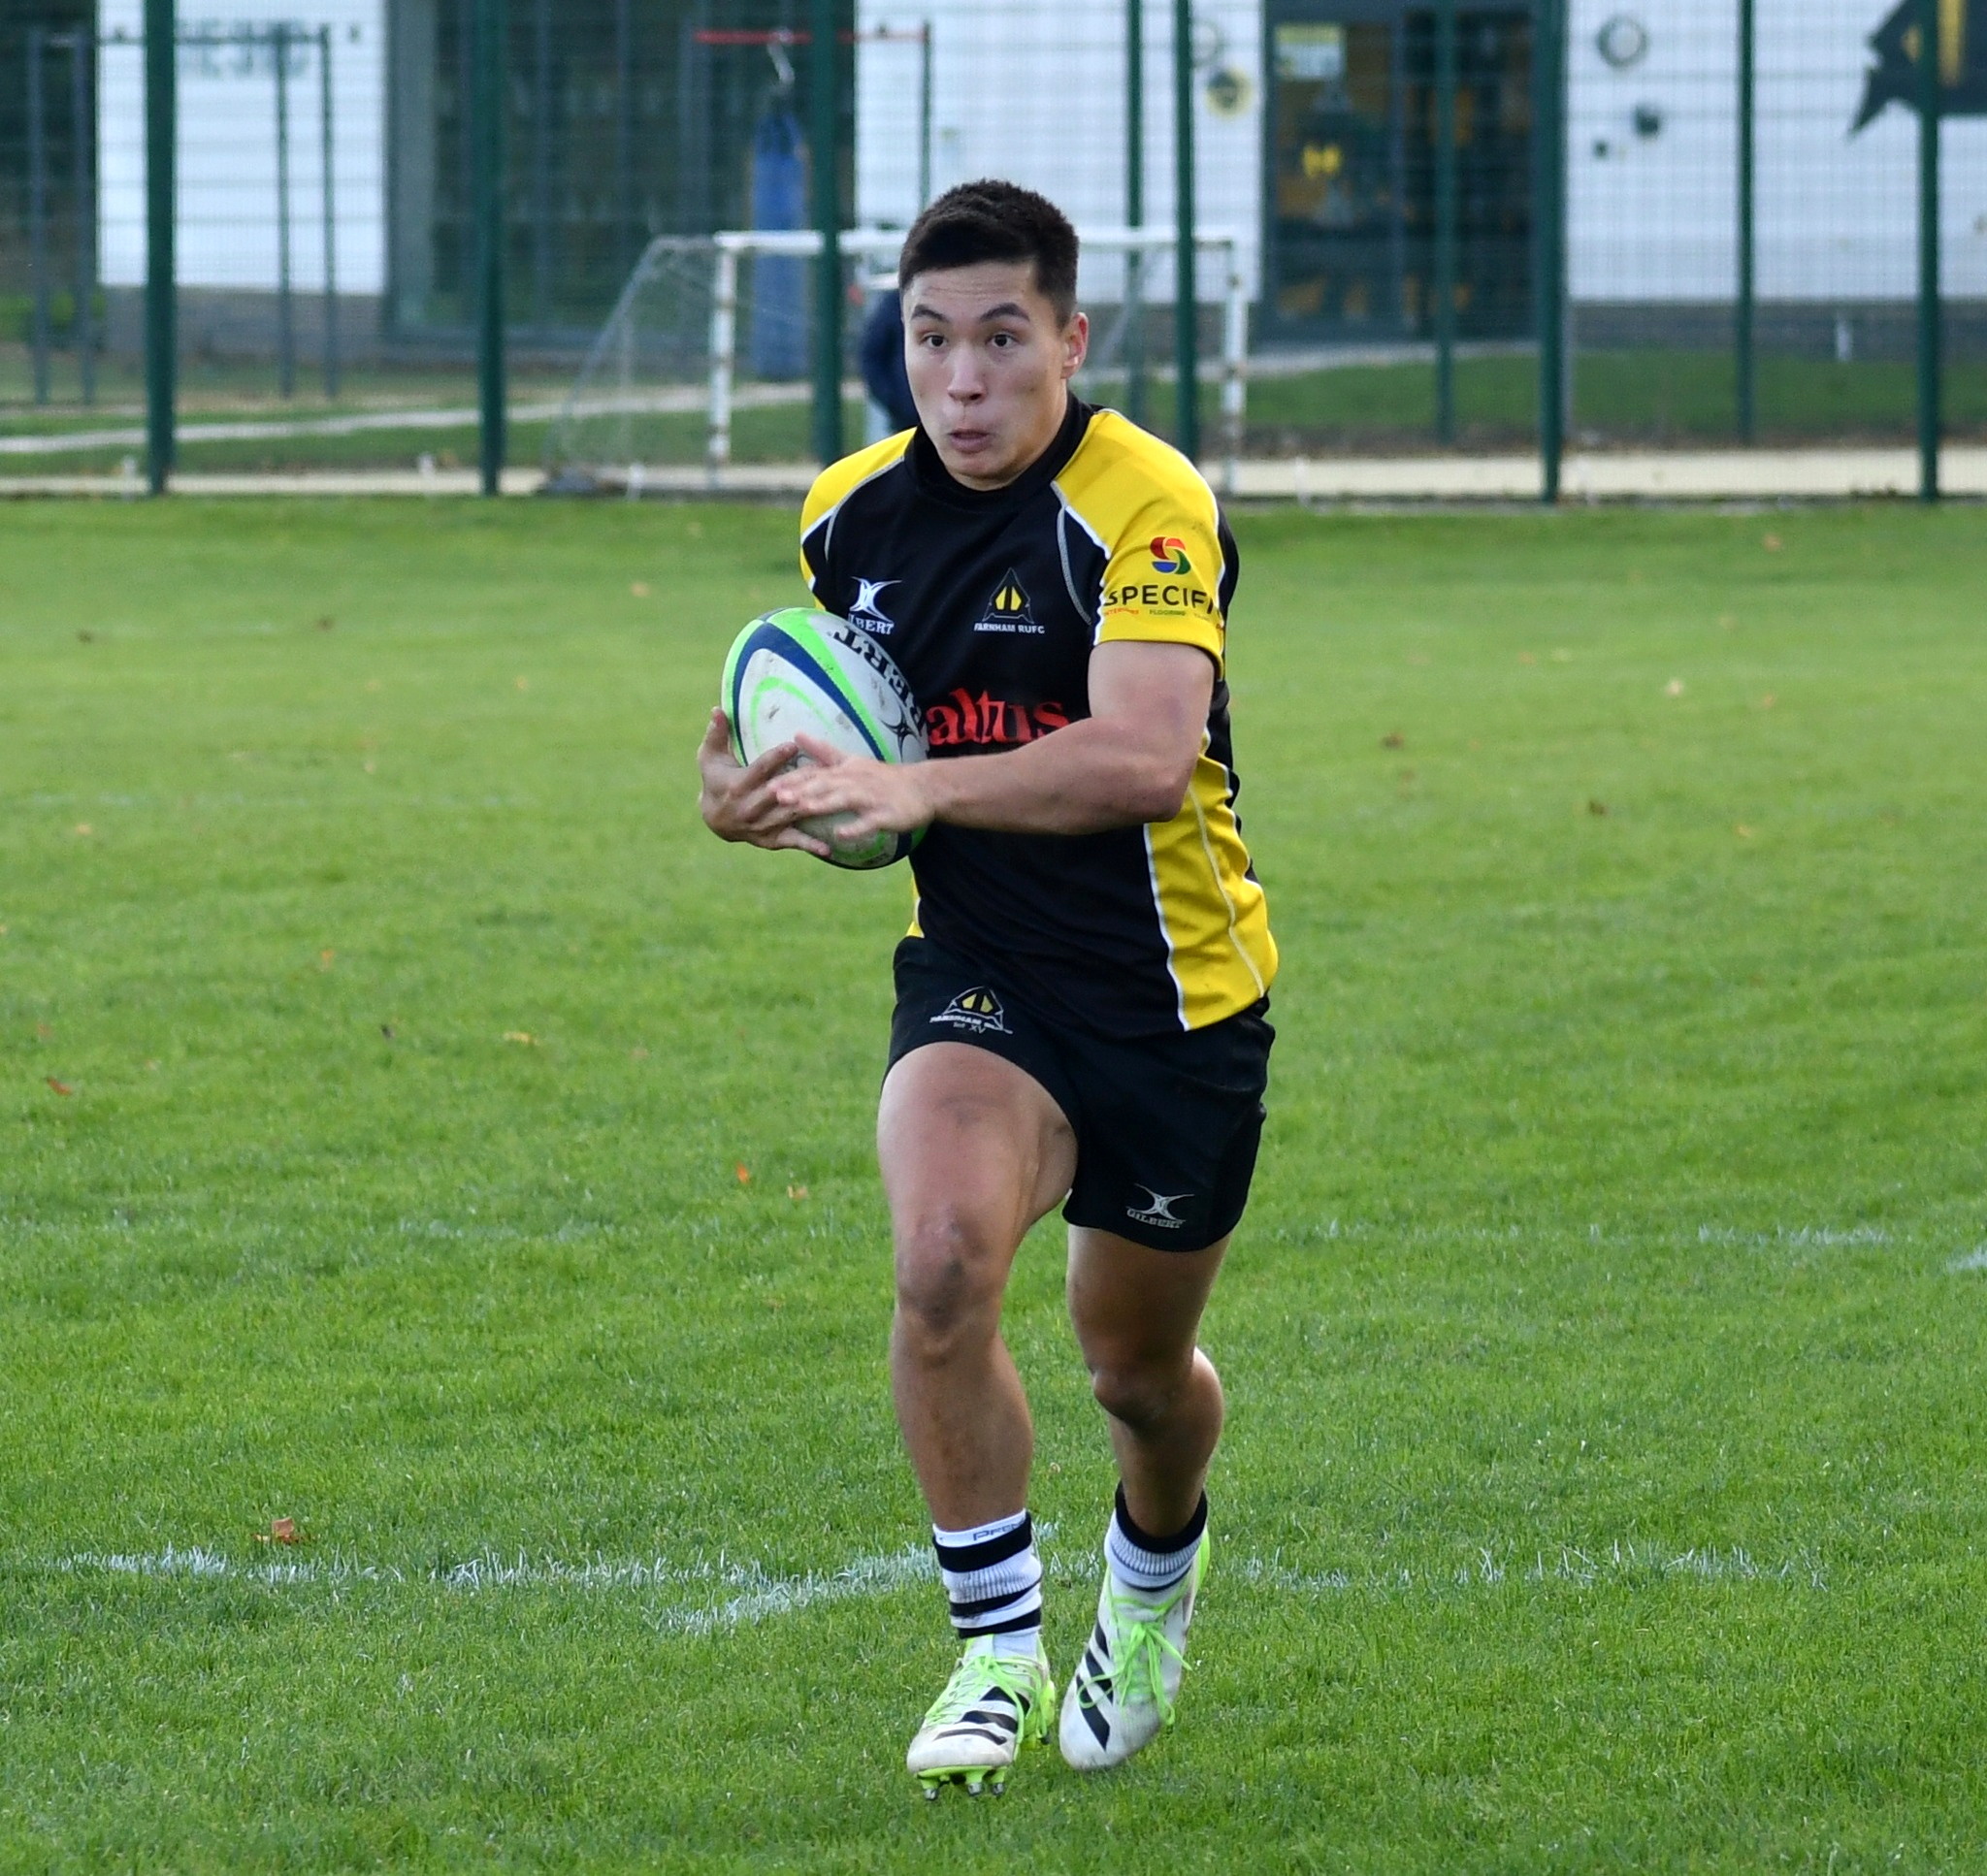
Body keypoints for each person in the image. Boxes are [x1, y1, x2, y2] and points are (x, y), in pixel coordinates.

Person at [696, 179, 1277, 1796]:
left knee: (1134, 1374)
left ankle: (1152, 1587)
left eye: (1002, 341)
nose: (960, 379)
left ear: (1069, 341)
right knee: (942, 1263)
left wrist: (924, 794)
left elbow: (1151, 756)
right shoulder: (849, 511)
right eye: (929, 340)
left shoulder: (1145, 502)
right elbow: (821, 728)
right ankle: (997, 1647)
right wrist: (746, 790)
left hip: (1176, 995)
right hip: (983, 976)